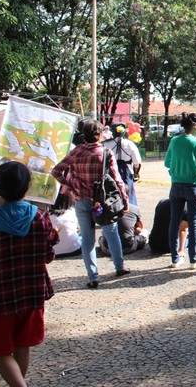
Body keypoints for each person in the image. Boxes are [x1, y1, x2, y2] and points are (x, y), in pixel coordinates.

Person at [0, 162, 58, 387]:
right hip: (32, 293)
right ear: (27, 188)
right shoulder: (41, 218)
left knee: (0, 351)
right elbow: (48, 254)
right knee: (22, 344)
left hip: (0, 297)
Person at [51, 120, 130, 288]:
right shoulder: (106, 152)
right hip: (103, 202)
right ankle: (120, 267)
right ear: (100, 134)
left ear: (84, 135)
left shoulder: (76, 152)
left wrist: (70, 186)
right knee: (111, 233)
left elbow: (56, 171)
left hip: (81, 200)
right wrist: (124, 199)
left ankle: (93, 277)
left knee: (87, 239)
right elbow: (117, 179)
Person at [163, 112, 196, 269]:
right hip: (193, 185)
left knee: (174, 221)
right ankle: (194, 259)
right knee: (194, 222)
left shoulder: (175, 141)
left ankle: (175, 258)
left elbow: (167, 163)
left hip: (176, 185)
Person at [102, 123, 142, 206]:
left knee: (112, 191)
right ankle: (131, 210)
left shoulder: (106, 144)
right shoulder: (130, 144)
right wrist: (136, 173)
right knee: (129, 192)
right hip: (127, 171)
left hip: (111, 171)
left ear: (112, 132)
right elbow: (137, 163)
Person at [48, 192, 82, 257]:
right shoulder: (72, 212)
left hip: (53, 251)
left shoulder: (47, 216)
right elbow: (79, 229)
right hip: (73, 250)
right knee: (83, 236)